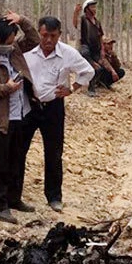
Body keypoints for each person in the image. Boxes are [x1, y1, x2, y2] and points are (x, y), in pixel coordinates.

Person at [0, 12, 41, 224]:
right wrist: (6, 88)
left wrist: (22, 21)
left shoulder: (16, 50)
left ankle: (14, 198)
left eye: (12, 41)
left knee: (17, 160)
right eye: (5, 42)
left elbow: (35, 39)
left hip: (20, 114)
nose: (9, 46)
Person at [24, 16, 95, 213]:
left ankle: (54, 197)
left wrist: (72, 88)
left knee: (54, 153)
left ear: (59, 36)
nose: (48, 40)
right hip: (29, 107)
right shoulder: (29, 54)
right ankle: (14, 196)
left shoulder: (68, 54)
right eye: (44, 35)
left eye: (52, 36)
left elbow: (87, 72)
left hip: (54, 108)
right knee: (19, 150)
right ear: (39, 33)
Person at [77, 0, 117, 95]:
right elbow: (75, 24)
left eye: (95, 7)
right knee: (86, 54)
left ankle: (93, 86)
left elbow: (100, 36)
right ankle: (92, 66)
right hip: (86, 47)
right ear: (87, 9)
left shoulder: (97, 22)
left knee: (100, 69)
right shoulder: (83, 19)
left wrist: (102, 49)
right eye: (92, 7)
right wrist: (75, 12)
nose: (94, 9)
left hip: (96, 50)